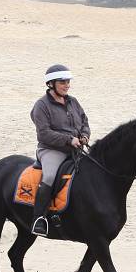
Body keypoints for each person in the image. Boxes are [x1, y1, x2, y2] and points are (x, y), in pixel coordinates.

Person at [29, 64, 90, 236]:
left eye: (68, 82)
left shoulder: (73, 102)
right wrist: (69, 140)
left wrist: (85, 135)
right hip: (51, 150)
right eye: (62, 82)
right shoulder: (41, 105)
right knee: (49, 176)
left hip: (75, 149)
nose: (67, 85)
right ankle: (39, 218)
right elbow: (44, 133)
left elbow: (84, 121)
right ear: (51, 84)